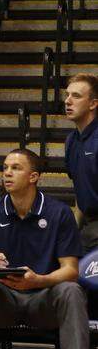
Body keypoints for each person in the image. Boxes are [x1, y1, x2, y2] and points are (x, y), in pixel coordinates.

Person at [0, 148, 89, 349]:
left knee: (71, 290)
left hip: (44, 299)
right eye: (5, 168)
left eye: (15, 168)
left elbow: (71, 270)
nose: (7, 173)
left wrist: (39, 280)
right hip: (4, 301)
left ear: (34, 177)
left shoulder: (59, 213)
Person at [63, 73, 98, 247]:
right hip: (88, 224)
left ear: (93, 104)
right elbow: (80, 192)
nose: (67, 101)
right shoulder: (71, 140)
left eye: (76, 96)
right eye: (67, 95)